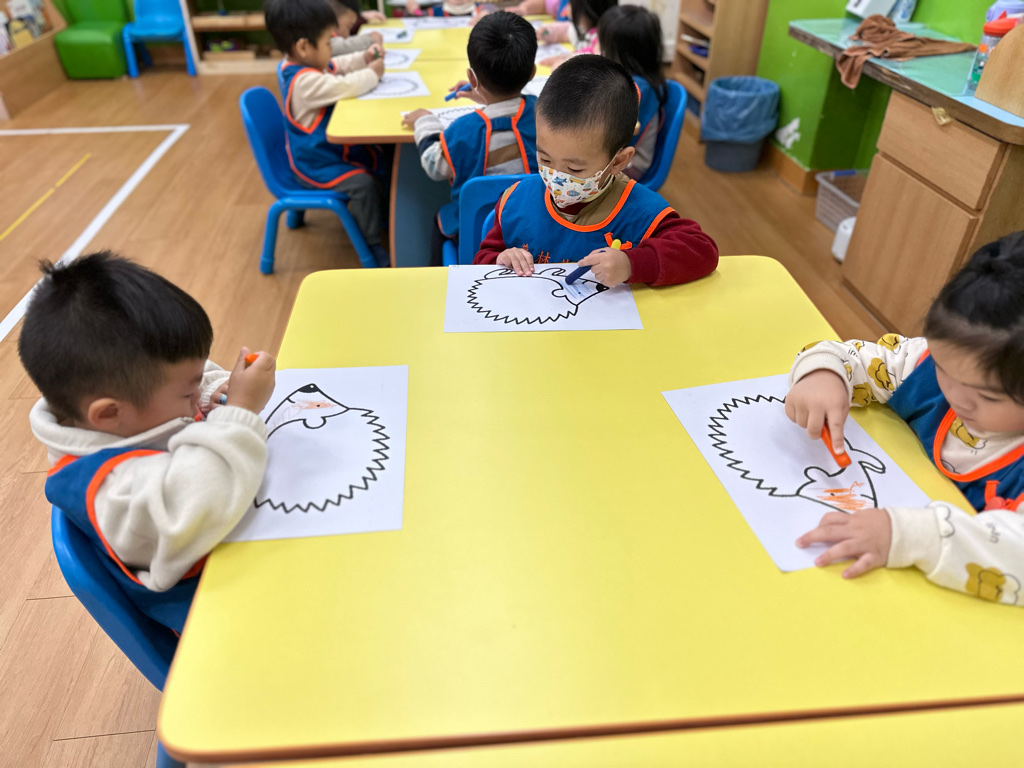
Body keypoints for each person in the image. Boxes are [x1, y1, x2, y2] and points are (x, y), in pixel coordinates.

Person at [19, 252, 277, 632]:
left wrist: (212, 392)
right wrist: (239, 409)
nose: (194, 395)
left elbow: (188, 382)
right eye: (187, 393)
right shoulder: (110, 490)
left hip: (247, 555)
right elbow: (196, 500)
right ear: (109, 413)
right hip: (223, 620)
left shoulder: (128, 408)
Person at [787, 232, 1024, 607]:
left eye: (987, 396)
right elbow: (854, 358)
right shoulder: (930, 363)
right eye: (944, 368)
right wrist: (824, 374)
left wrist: (908, 535)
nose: (955, 395)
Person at [474, 55, 717, 288]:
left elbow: (702, 251)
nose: (556, 177)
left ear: (618, 162)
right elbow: (482, 260)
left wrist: (632, 263)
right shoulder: (516, 201)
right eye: (545, 159)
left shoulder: (640, 210)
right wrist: (499, 260)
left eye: (574, 168)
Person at [401, 11, 538, 264]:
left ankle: (440, 277)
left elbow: (434, 164)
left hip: (479, 237)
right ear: (532, 73)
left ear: (472, 78)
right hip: (535, 226)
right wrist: (487, 97)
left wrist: (425, 122)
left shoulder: (463, 131)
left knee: (442, 219)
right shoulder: (546, 115)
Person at [266, 0, 391, 267]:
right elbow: (344, 86)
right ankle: (371, 243)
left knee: (378, 155)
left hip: (325, 152)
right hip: (315, 164)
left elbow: (338, 65)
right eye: (327, 43)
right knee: (362, 184)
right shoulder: (305, 81)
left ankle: (385, 215)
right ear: (304, 47)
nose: (332, 48)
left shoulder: (308, 66)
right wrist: (372, 73)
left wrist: (363, 58)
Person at [597, 5, 665, 180]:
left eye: (604, 45)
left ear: (620, 52)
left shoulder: (636, 91)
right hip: (619, 156)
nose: (600, 50)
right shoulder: (632, 79)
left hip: (630, 165)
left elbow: (611, 140)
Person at [534, 0, 616, 67]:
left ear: (587, 11)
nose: (566, 7)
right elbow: (565, 31)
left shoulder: (602, 39)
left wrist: (564, 61)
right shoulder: (582, 28)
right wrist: (545, 32)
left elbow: (593, 61)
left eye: (570, 4)